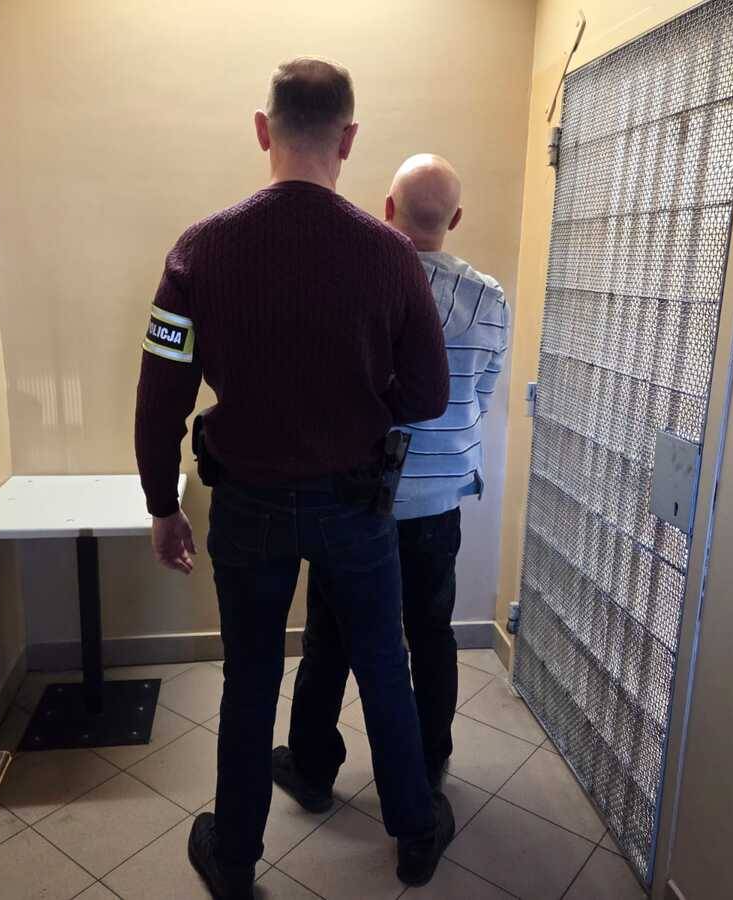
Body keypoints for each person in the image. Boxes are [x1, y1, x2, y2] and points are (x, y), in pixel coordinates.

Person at [133, 62, 456, 898]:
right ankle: (415, 834)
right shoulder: (390, 254)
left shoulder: (198, 251)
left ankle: (236, 859)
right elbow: (429, 395)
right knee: (383, 665)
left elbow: (161, 393)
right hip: (357, 504)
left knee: (250, 680)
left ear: (262, 129)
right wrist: (363, 406)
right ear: (349, 138)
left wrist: (162, 504)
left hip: (247, 507)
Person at [274, 154, 509, 806]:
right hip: (437, 499)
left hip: (353, 500)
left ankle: (312, 769)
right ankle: (427, 768)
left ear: (386, 210)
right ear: (455, 219)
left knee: (330, 637)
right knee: (431, 636)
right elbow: (479, 397)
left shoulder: (354, 285)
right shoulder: (489, 299)